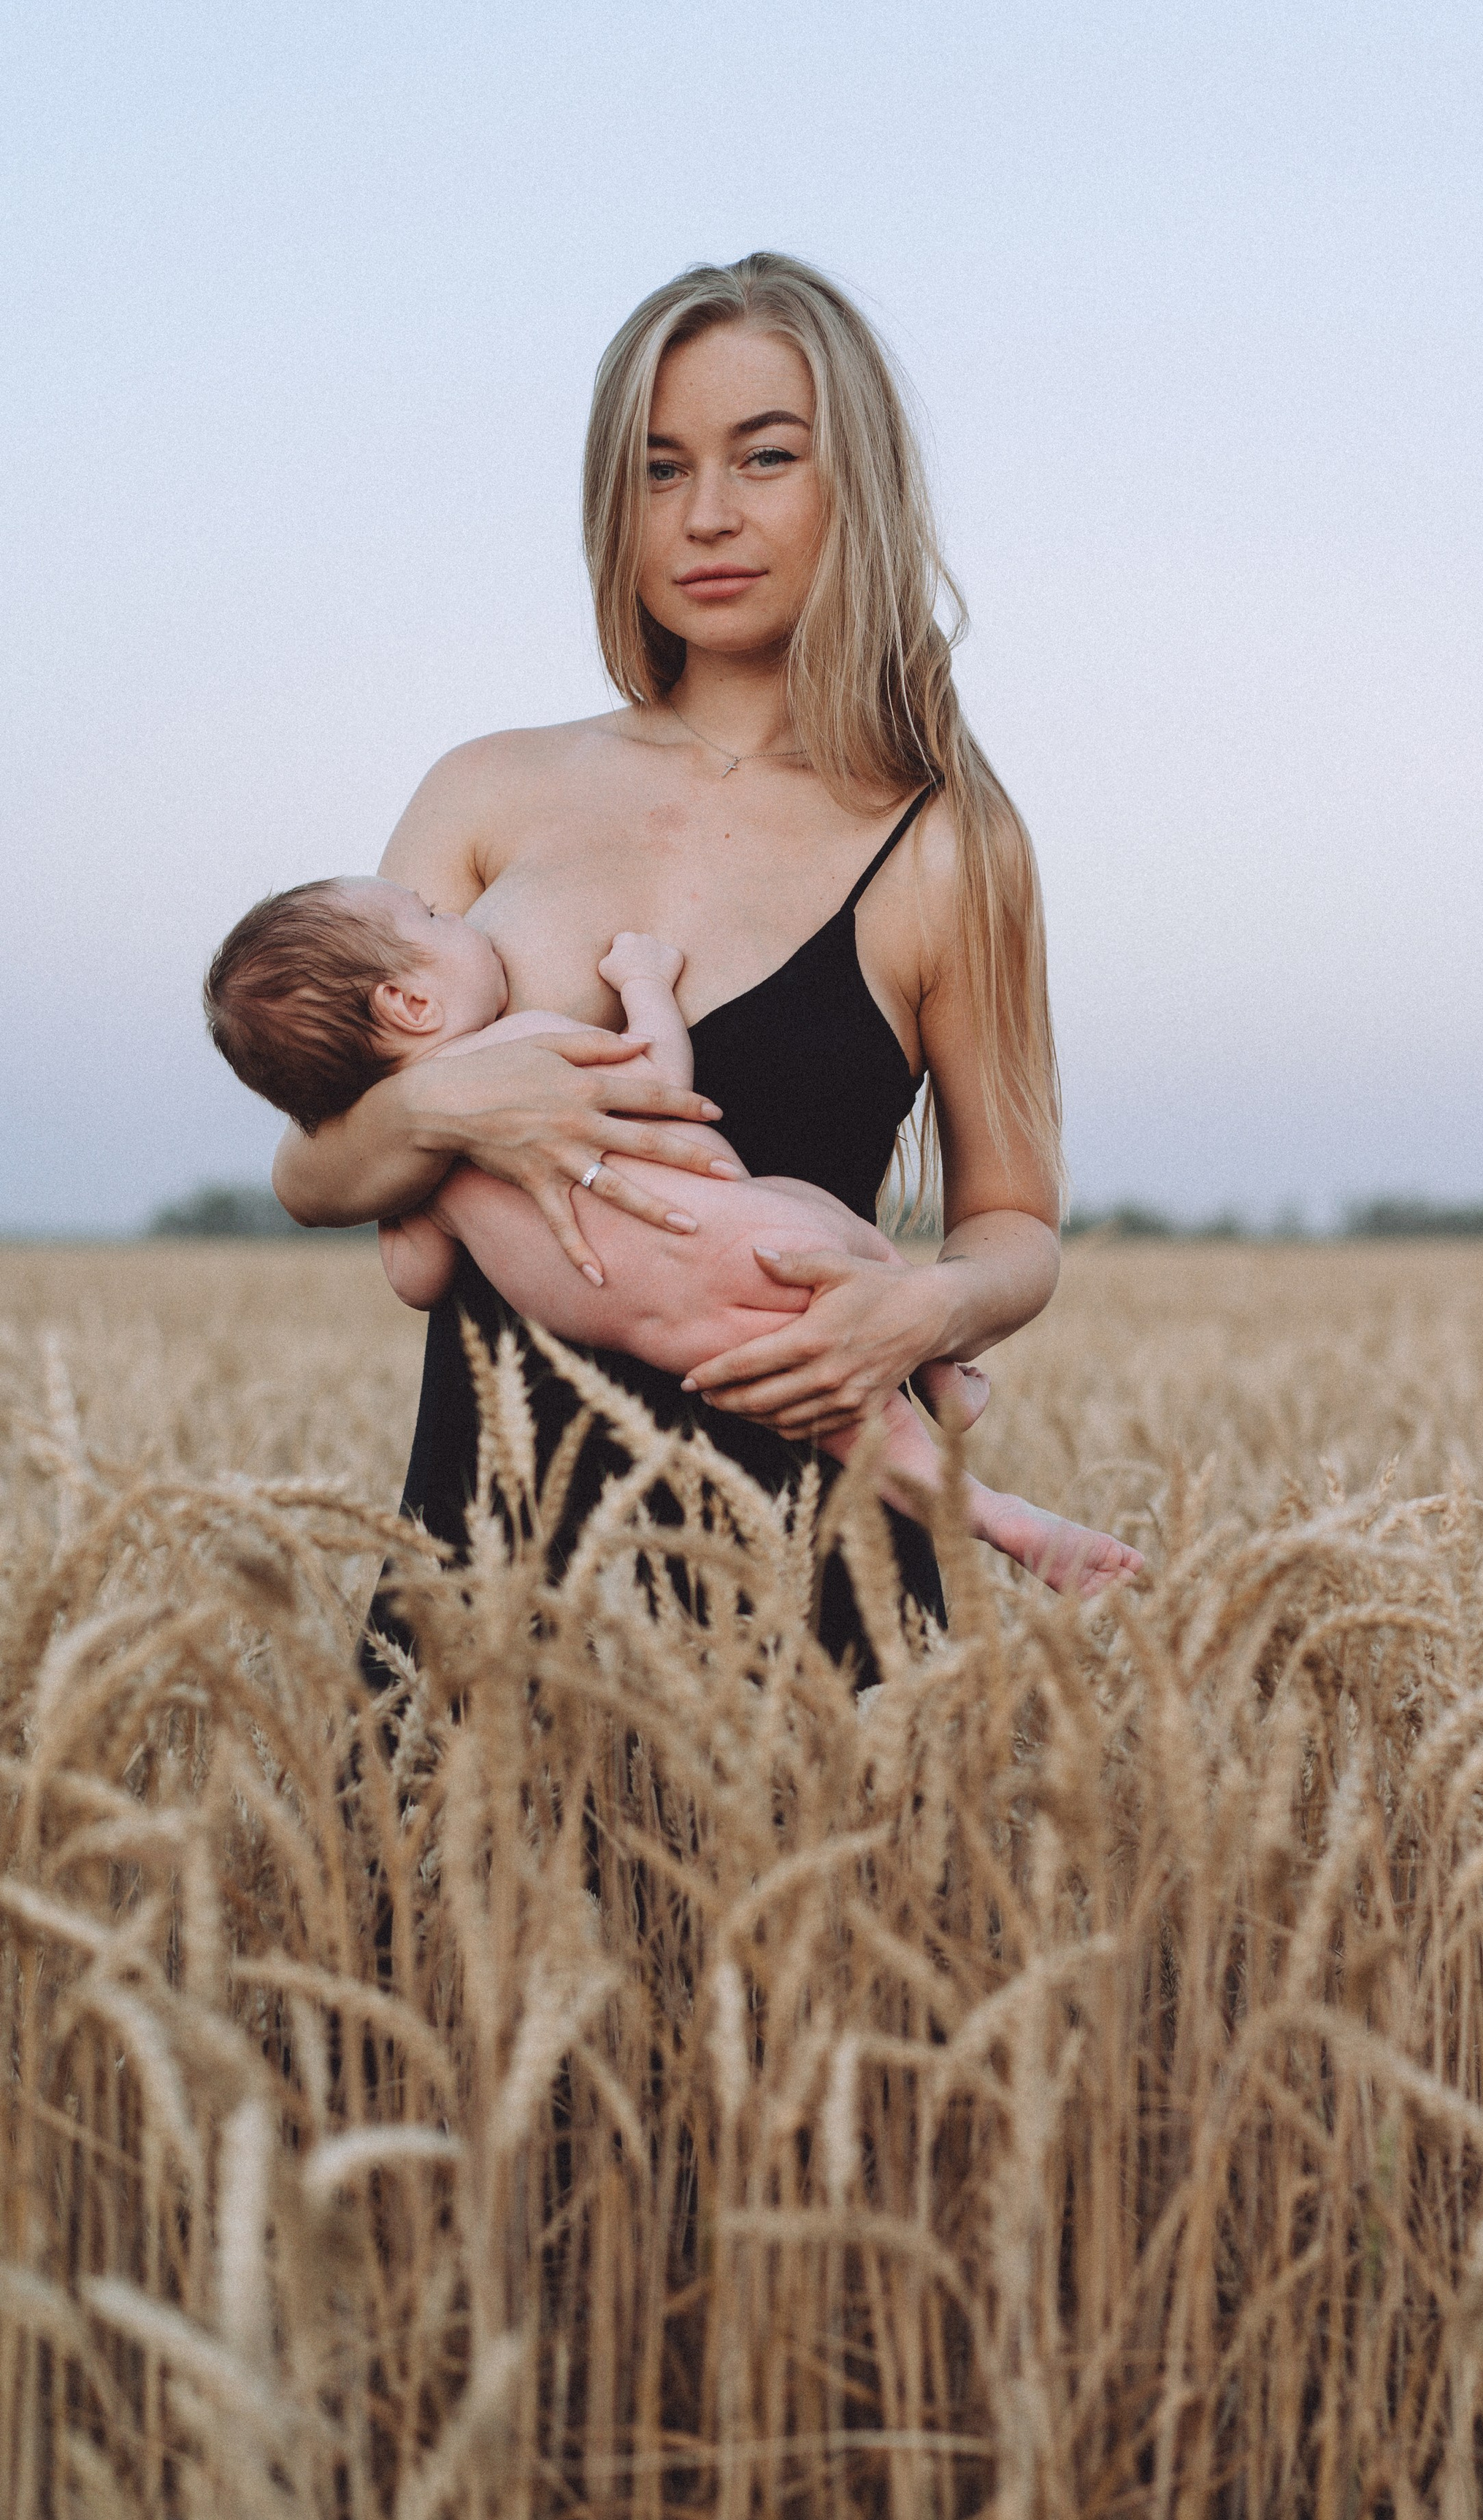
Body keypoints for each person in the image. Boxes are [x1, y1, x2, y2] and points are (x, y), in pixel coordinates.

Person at [271, 250, 1086, 1674]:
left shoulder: (948, 842)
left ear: (858, 487)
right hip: (493, 1585)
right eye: (656, 471)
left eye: (763, 457)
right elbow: (315, 1169)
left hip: (815, 1598)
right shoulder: (486, 791)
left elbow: (1013, 1224)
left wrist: (922, 1307)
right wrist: (448, 1108)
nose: (706, 515)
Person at [207, 875, 1140, 1594]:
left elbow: (415, 1281)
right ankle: (943, 1377)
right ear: (411, 1003)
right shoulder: (520, 1043)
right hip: (762, 1227)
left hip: (689, 1335)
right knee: (850, 1238)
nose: (463, 921)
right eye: (435, 920)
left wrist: (408, 1192)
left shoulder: (417, 1176)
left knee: (869, 1437)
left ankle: (999, 1517)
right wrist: (644, 982)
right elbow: (657, 1072)